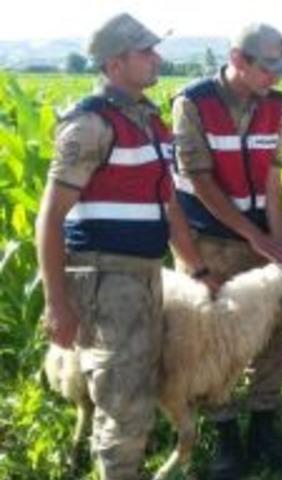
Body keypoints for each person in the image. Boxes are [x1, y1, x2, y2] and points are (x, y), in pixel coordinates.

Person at [35, 13, 217, 479]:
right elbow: (50, 217)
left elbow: (168, 203)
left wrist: (195, 269)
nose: (157, 58)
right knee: (124, 403)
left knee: (134, 391)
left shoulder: (148, 121)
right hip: (106, 280)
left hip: (143, 276)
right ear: (116, 64)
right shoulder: (90, 126)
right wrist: (58, 303)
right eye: (146, 52)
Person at [171, 22, 282, 479]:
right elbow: (201, 181)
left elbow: (272, 179)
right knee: (215, 341)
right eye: (267, 69)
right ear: (237, 60)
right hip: (211, 239)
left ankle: (265, 430)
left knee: (273, 333)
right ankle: (226, 438)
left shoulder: (277, 106)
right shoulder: (193, 103)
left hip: (259, 236)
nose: (276, 79)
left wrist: (281, 247)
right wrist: (255, 237)